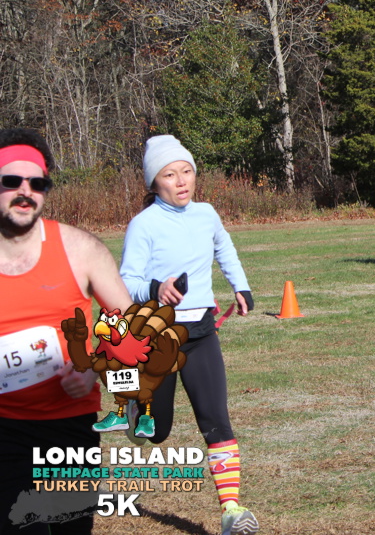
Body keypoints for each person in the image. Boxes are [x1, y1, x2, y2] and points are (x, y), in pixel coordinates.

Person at [118, 134, 259, 535]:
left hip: (201, 334)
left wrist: (240, 286)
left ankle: (231, 511)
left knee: (217, 420)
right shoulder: (143, 225)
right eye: (169, 174)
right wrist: (155, 289)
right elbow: (125, 280)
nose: (181, 181)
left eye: (186, 171)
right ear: (153, 183)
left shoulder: (206, 214)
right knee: (157, 431)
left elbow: (224, 248)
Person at [0, 127, 134, 534]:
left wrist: (94, 367)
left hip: (70, 428)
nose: (25, 192)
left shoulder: (81, 250)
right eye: (11, 181)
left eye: (37, 183)